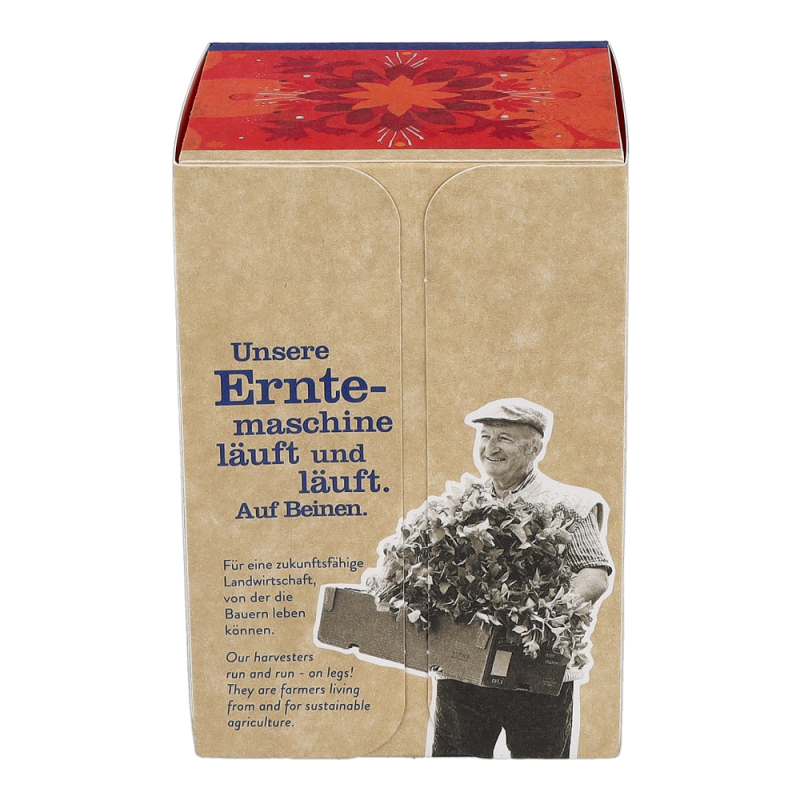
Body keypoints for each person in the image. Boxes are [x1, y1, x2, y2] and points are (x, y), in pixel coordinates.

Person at [428, 398, 613, 759]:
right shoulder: (458, 505)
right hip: (463, 666)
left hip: (535, 669)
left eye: (505, 438)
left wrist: (541, 620)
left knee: (538, 770)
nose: (490, 447)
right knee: (455, 768)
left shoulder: (569, 503)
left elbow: (594, 575)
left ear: (535, 449)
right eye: (485, 436)